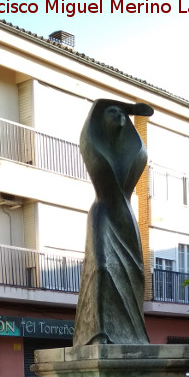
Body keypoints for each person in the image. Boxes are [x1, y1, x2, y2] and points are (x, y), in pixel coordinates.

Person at [73, 99, 154, 346]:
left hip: (126, 218)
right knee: (101, 268)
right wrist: (130, 106)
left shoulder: (133, 153)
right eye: (113, 111)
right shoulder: (94, 147)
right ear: (99, 119)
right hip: (103, 214)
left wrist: (134, 111)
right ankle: (98, 332)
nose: (119, 115)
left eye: (122, 113)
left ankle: (131, 334)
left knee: (136, 272)